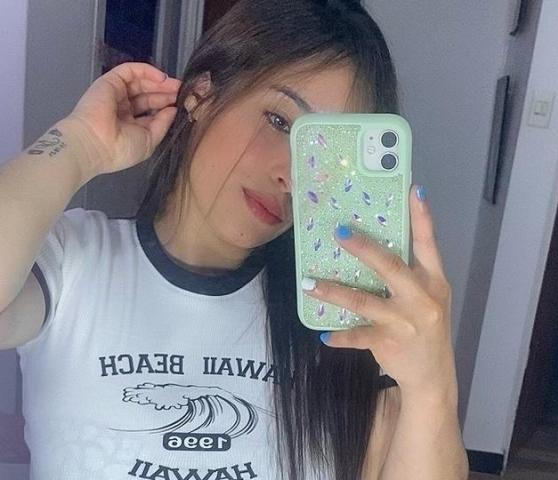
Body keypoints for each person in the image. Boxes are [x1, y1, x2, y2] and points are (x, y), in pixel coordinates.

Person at [0, 0, 468, 479]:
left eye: (324, 152)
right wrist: (81, 143)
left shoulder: (342, 320)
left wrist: (433, 387)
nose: (293, 175)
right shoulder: (74, 261)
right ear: (200, 96)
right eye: (280, 122)